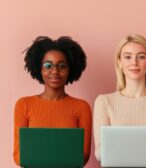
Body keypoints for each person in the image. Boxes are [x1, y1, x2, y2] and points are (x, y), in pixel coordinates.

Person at [93, 34, 146, 163]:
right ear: (119, 62)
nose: (134, 63)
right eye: (127, 57)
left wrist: (121, 147)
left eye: (141, 57)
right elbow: (100, 154)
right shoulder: (104, 101)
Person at [13, 36, 92, 166]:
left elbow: (82, 156)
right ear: (40, 68)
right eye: (48, 65)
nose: (55, 71)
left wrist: (40, 155)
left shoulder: (81, 107)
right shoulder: (23, 105)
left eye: (62, 66)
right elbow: (19, 156)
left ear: (69, 69)